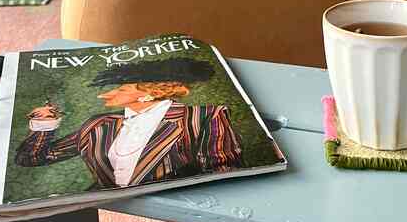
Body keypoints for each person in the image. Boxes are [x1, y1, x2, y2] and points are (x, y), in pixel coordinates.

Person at [15, 57, 243, 188]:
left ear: (150, 93)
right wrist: (45, 123)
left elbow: (223, 173)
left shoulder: (203, 117)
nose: (105, 95)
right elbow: (32, 158)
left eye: (121, 88)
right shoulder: (99, 125)